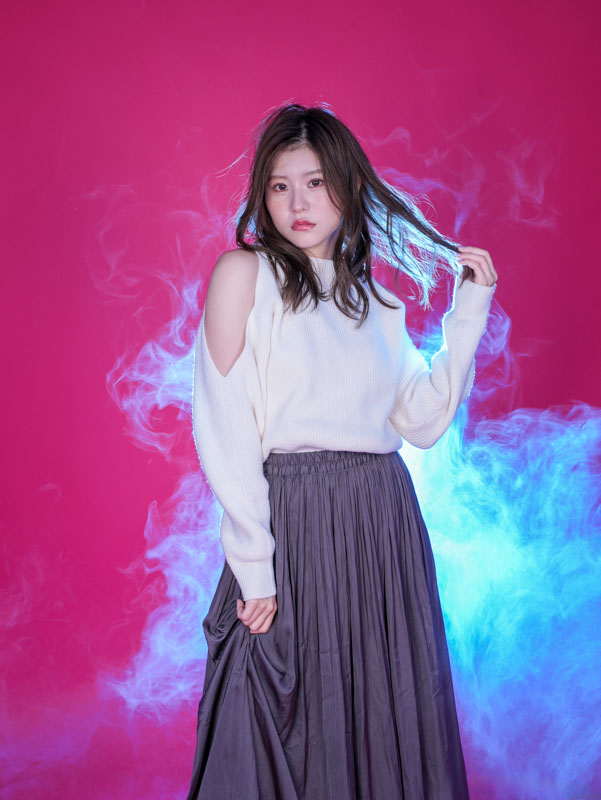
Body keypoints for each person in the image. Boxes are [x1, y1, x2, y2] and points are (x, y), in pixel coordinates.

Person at [185, 103, 498, 800]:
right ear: (261, 196)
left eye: (316, 183)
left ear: (349, 188)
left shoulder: (375, 302)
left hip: (380, 524)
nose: (297, 203)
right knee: (277, 711)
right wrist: (254, 567)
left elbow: (421, 421)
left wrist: (467, 312)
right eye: (279, 186)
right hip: (292, 519)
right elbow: (224, 424)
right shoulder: (244, 275)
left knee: (380, 712)